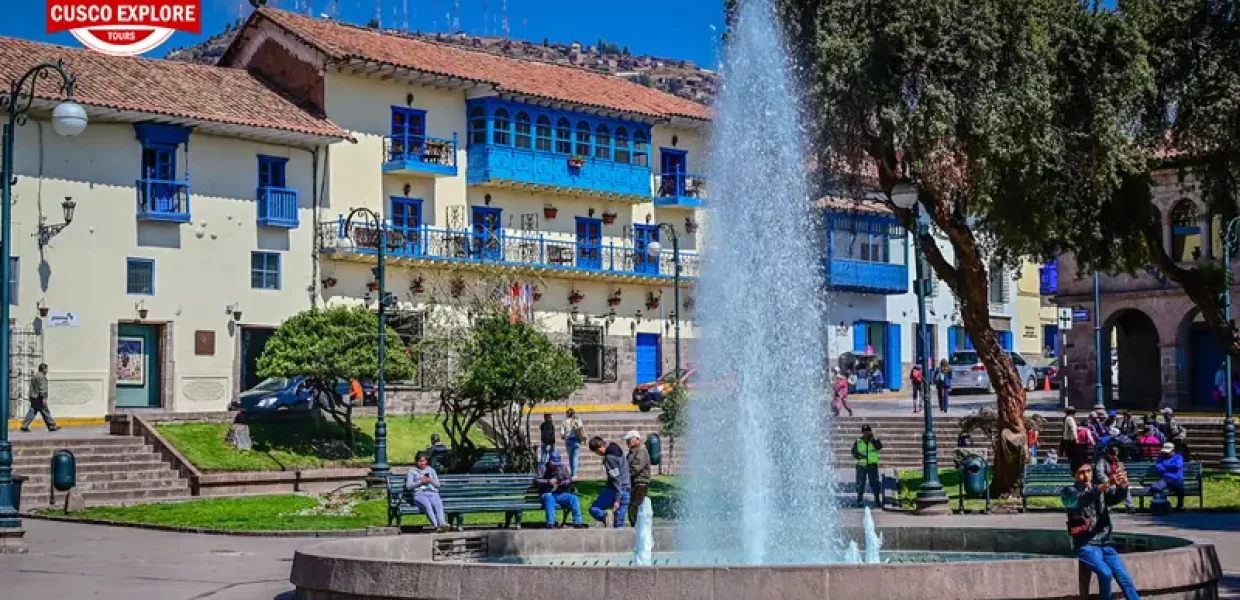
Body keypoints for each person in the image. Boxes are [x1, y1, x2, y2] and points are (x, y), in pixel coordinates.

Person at [1060, 461, 1141, 600]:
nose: (1086, 476)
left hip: (1105, 542)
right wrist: (1105, 485)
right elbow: (1083, 499)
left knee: (1124, 578)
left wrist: (1123, 486)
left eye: (1088, 471)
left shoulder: (1099, 489)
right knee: (1105, 573)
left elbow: (1114, 497)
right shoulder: (1068, 492)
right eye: (1081, 472)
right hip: (1084, 544)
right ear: (1073, 475)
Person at [533, 449, 585, 529]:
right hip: (546, 493)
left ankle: (577, 522)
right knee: (549, 498)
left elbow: (569, 479)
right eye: (554, 464)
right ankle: (550, 523)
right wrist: (548, 481)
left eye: (557, 464)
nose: (556, 466)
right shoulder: (542, 468)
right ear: (549, 461)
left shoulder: (563, 468)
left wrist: (564, 483)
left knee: (574, 498)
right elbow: (536, 480)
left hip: (560, 493)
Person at [587, 436, 630, 527]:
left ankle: (605, 516)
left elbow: (616, 479)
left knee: (594, 509)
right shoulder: (619, 451)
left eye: (596, 451)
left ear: (601, 447)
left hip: (615, 491)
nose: (597, 454)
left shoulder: (609, 458)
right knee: (619, 522)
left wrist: (617, 499)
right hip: (627, 489)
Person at [405, 451, 449, 533]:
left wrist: (431, 480)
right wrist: (420, 482)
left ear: (427, 461)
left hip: (432, 492)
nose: (422, 463)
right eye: (420, 461)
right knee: (427, 505)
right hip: (419, 494)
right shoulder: (412, 471)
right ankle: (437, 526)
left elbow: (438, 485)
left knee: (438, 504)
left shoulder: (431, 470)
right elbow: (408, 486)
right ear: (416, 461)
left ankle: (443, 524)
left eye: (424, 461)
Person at [623, 430, 652, 527]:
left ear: (637, 439)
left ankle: (637, 526)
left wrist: (625, 475)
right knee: (633, 506)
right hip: (633, 482)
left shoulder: (641, 450)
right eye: (627, 440)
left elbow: (636, 467)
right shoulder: (632, 451)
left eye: (629, 440)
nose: (627, 442)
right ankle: (636, 526)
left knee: (634, 505)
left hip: (640, 483)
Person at [1094, 444, 1134, 514]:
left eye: (1116, 455)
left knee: (1125, 487)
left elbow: (1122, 473)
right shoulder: (1102, 461)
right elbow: (1100, 474)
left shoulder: (1117, 461)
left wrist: (1122, 478)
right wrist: (1110, 481)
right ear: (1108, 453)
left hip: (1117, 481)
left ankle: (1130, 506)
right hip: (1105, 483)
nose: (1115, 457)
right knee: (1111, 488)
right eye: (1113, 455)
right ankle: (1109, 507)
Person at [852, 424, 883, 507]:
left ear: (870, 432)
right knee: (860, 484)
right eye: (864, 432)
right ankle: (859, 500)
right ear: (862, 432)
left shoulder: (874, 440)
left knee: (874, 483)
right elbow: (853, 452)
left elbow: (879, 447)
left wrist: (873, 440)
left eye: (868, 431)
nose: (866, 433)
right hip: (861, 466)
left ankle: (877, 500)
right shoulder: (858, 441)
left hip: (872, 465)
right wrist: (858, 456)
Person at [20, 363, 58, 432]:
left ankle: (24, 426)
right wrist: (44, 398)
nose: (47, 370)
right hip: (39, 398)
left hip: (33, 397)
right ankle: (52, 426)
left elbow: (32, 387)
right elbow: (42, 388)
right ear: (44, 369)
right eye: (46, 369)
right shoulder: (42, 377)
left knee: (32, 411)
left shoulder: (35, 376)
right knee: (45, 411)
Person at [1152, 442, 1186, 511]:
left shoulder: (1179, 457)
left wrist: (1165, 466)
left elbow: (1177, 466)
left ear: (1173, 451)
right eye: (1165, 452)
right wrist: (1170, 468)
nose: (1166, 454)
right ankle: (1162, 504)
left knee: (1180, 490)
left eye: (1167, 452)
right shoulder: (1161, 458)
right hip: (1164, 479)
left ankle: (1179, 506)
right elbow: (1159, 468)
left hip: (1176, 479)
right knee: (1154, 488)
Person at [560, 408, 587, 478]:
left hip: (568, 440)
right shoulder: (578, 420)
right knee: (575, 457)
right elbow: (582, 430)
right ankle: (574, 474)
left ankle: (572, 473)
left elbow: (562, 435)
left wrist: (564, 436)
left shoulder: (564, 422)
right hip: (577, 440)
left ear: (567, 414)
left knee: (570, 457)